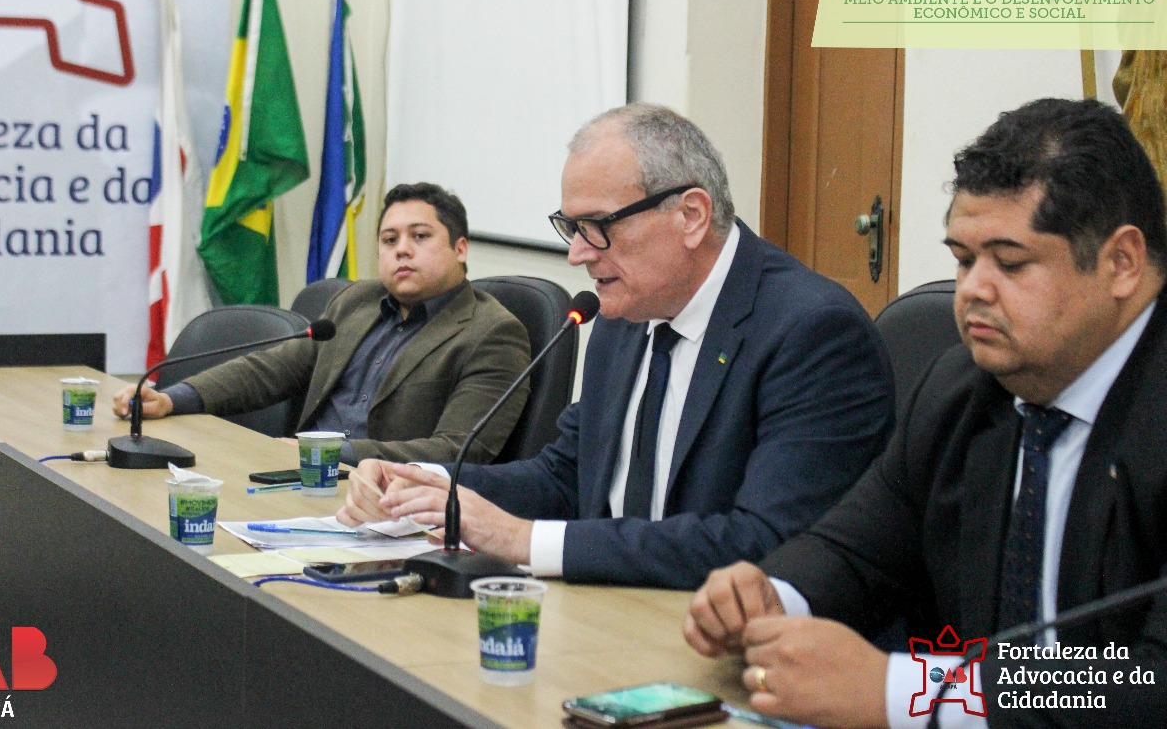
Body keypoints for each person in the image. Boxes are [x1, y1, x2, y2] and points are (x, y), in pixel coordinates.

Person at [684, 98, 1167, 728]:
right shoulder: (961, 390)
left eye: (1011, 263)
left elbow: (1151, 679)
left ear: (1121, 262)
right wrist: (770, 597)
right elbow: (858, 551)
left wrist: (911, 692)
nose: (973, 290)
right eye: (964, 260)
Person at [337, 103, 893, 589]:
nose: (578, 253)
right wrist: (427, 483)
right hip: (617, 611)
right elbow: (565, 476)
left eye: (598, 226)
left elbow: (767, 542)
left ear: (691, 216)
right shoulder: (624, 313)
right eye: (571, 227)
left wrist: (526, 540)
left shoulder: (811, 332)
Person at [112, 182, 531, 464]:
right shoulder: (356, 302)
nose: (402, 250)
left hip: (379, 498)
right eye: (389, 240)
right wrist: (171, 399)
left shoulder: (492, 333)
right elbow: (270, 369)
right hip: (297, 475)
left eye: (419, 237)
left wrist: (323, 453)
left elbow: (458, 451)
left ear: (460, 249)